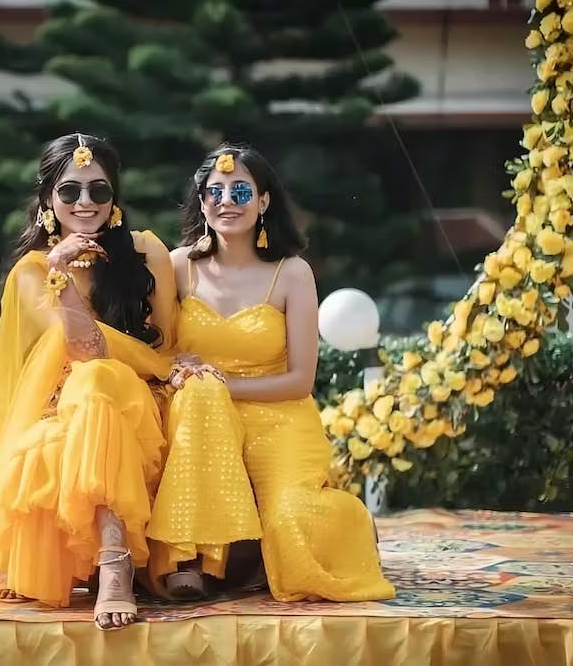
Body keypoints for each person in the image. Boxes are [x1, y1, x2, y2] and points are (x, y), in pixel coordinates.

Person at [0, 133, 178, 631]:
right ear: (48, 199)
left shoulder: (147, 252)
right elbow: (84, 349)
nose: (85, 202)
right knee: (93, 381)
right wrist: (59, 272)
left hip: (143, 400)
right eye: (70, 191)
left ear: (115, 199)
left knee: (101, 380)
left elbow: (166, 346)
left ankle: (113, 567)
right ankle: (114, 562)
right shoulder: (32, 272)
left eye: (98, 190)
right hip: (71, 405)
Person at [146, 144, 395, 603]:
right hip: (198, 417)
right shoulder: (178, 266)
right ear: (201, 202)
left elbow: (300, 380)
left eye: (241, 190)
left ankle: (346, 526)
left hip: (277, 416)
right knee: (199, 401)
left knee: (291, 520)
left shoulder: (292, 273)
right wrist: (182, 370)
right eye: (214, 191)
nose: (227, 200)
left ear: (263, 202)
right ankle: (190, 561)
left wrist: (224, 384)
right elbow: (159, 349)